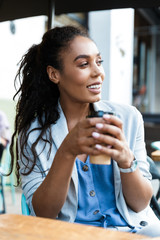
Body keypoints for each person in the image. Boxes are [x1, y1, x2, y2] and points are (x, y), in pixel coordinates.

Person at [10, 25, 160, 237]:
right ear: (54, 74)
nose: (98, 72)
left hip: (132, 231)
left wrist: (127, 161)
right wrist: (67, 151)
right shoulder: (34, 135)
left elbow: (140, 204)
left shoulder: (128, 118)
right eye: (84, 64)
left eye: (99, 62)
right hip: (71, 234)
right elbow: (43, 214)